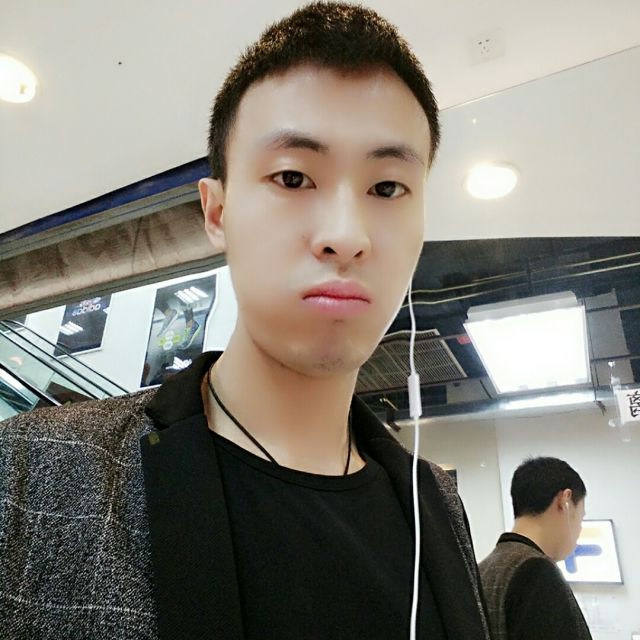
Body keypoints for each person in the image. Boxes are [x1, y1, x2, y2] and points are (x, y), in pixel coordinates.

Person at [0, 3, 490, 638]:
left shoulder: (437, 506)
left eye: (388, 188)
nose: (346, 235)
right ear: (217, 212)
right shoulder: (32, 475)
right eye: (293, 177)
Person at [479, 456, 592, 640]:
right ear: (564, 501)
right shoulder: (537, 573)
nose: (579, 528)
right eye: (581, 517)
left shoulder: (482, 570)